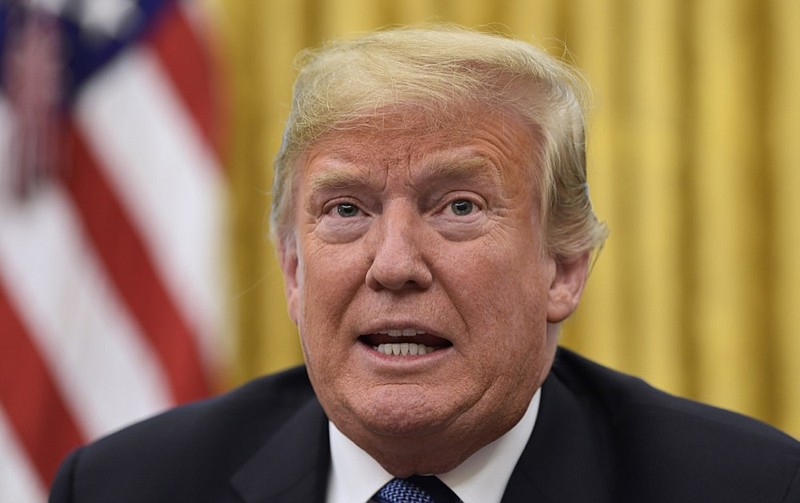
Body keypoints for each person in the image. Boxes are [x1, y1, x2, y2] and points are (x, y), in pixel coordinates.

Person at [50, 25, 800, 503]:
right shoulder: (124, 487)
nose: (395, 264)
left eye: (459, 207)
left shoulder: (750, 487)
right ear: (292, 269)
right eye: (346, 210)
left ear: (564, 267)